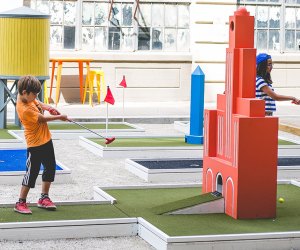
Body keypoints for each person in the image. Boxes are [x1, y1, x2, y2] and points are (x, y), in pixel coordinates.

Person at [14, 75, 68, 214]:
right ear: (25, 92)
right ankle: (20, 202)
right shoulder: (24, 109)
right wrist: (60, 117)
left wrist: (48, 107)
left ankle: (44, 198)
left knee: (50, 168)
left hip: (46, 139)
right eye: (34, 94)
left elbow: (37, 102)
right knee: (31, 173)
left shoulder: (28, 97)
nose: (36, 96)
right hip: (35, 145)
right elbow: (42, 119)